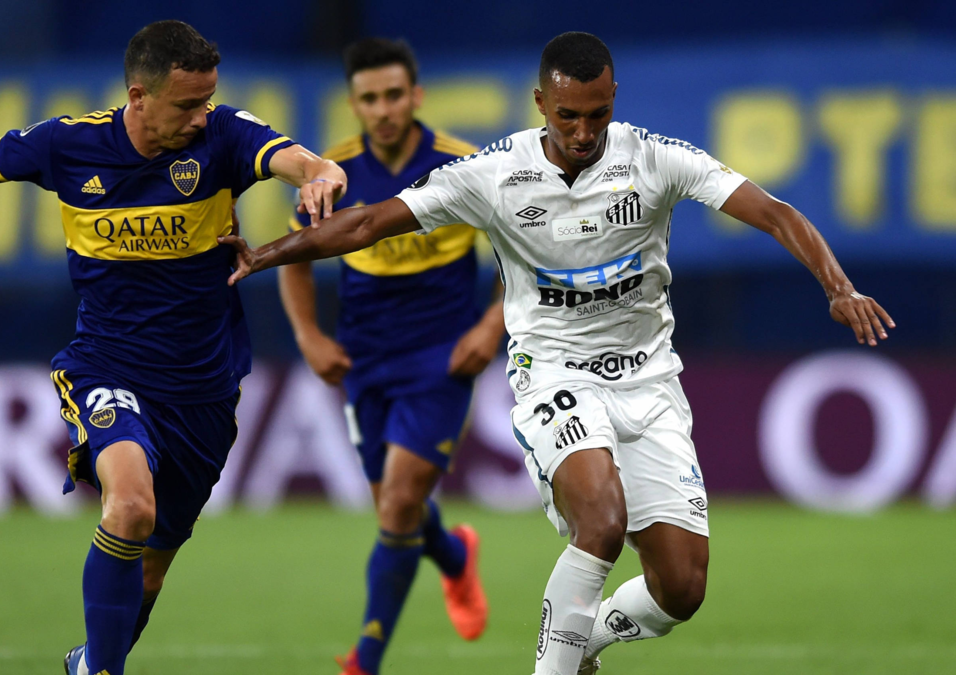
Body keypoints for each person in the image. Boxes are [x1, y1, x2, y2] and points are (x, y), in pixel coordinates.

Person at [219, 31, 894, 675]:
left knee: (681, 588)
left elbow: (774, 211)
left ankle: (586, 638)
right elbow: (367, 222)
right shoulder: (493, 174)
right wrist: (265, 254)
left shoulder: (655, 158)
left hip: (650, 382)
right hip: (553, 374)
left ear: (614, 97)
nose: (582, 131)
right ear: (541, 102)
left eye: (598, 114)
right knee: (601, 521)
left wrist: (839, 287)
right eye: (567, 115)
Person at [0, 20, 346, 675]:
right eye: (186, 105)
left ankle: (90, 661)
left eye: (207, 101)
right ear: (138, 96)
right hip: (107, 366)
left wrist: (319, 174)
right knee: (131, 506)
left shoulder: (225, 134)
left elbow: (299, 160)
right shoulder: (69, 144)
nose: (201, 117)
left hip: (204, 388)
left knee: (151, 566)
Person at [278, 38, 500, 675]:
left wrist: (492, 324)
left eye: (394, 95)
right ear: (353, 104)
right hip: (365, 360)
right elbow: (296, 258)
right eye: (369, 98)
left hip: (441, 358)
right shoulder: (333, 176)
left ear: (416, 96)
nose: (383, 109)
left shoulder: (464, 165)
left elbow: (523, 251)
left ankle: (365, 660)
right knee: (395, 510)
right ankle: (454, 555)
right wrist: (308, 335)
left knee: (400, 503)